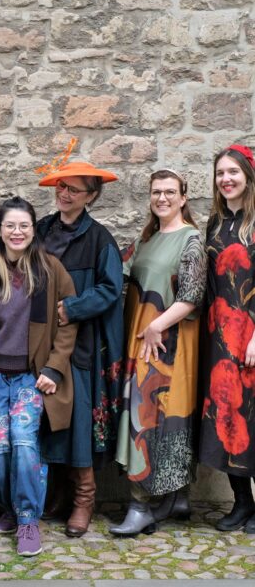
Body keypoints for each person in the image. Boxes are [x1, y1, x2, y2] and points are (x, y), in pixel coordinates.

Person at [0, 196, 77, 556]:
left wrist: (54, 367)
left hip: (31, 377)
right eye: (10, 225)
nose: (17, 232)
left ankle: (28, 520)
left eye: (24, 225)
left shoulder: (50, 270)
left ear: (32, 229)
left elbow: (67, 323)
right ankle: (8, 507)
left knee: (25, 445)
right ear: (0, 230)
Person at [110, 169, 206, 536]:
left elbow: (192, 295)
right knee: (146, 414)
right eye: (156, 192)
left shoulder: (191, 240)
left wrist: (156, 326)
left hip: (169, 343)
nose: (162, 198)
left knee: (150, 417)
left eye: (169, 192)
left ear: (183, 198)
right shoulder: (146, 239)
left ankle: (141, 505)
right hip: (142, 338)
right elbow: (118, 272)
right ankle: (176, 497)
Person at [36, 160, 124, 538]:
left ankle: (84, 499)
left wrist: (71, 307)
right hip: (39, 341)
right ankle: (57, 492)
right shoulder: (41, 230)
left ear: (91, 196)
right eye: (61, 186)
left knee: (78, 420)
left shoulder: (100, 239)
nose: (64, 193)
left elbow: (110, 288)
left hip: (81, 344)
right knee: (47, 417)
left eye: (73, 189)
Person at [200, 144, 255, 533]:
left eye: (233, 172)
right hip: (219, 338)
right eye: (220, 173)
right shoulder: (215, 224)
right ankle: (242, 503)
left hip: (250, 337)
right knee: (226, 415)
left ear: (248, 178)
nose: (226, 179)